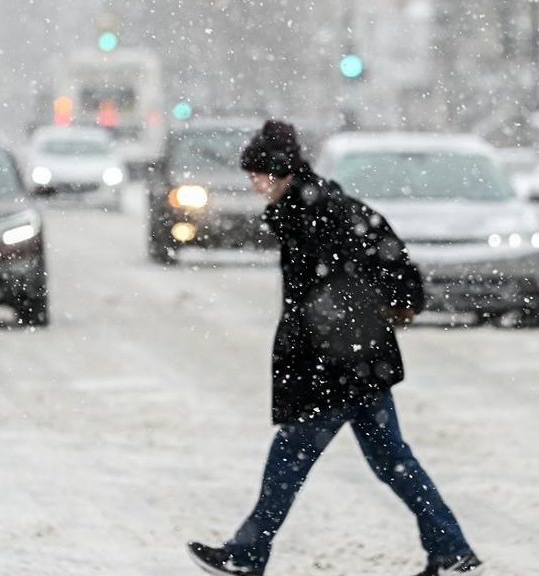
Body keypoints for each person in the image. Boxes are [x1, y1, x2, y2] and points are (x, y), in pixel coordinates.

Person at [187, 120, 483, 576]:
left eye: (256, 174)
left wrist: (348, 332)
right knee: (392, 461)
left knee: (290, 458)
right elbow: (381, 259)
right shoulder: (316, 207)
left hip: (337, 364)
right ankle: (452, 551)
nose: (252, 184)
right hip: (356, 360)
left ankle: (246, 556)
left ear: (278, 171)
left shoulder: (317, 214)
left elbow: (360, 278)